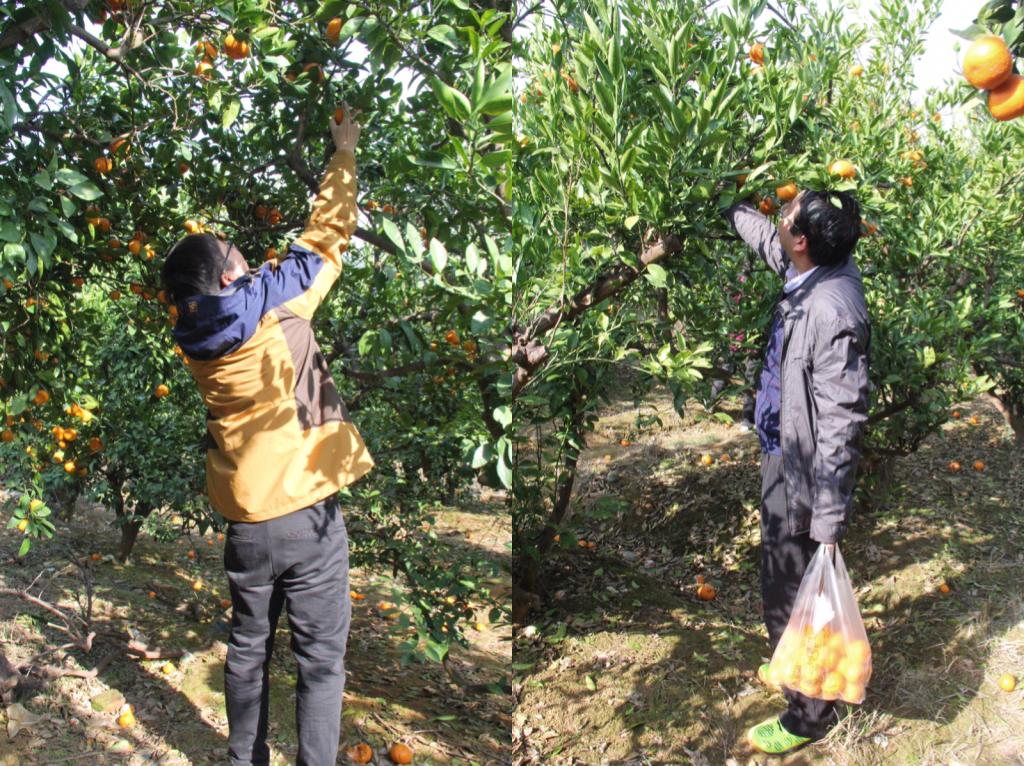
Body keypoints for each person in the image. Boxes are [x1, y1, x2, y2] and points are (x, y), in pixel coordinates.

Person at [160, 109, 375, 766]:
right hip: (308, 516)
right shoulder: (281, 308)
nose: (253, 262)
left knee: (248, 651)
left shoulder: (193, 342)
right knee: (321, 663)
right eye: (241, 258)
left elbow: (229, 293)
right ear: (231, 279)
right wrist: (343, 153)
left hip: (248, 525)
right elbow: (327, 237)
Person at [722, 189, 870, 754]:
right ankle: (797, 668)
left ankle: (806, 713)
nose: (777, 217)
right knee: (785, 574)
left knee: (790, 582)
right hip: (783, 447)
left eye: (786, 216)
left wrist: (828, 518)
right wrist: (727, 202)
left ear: (803, 240)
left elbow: (841, 420)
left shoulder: (832, 311)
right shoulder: (813, 267)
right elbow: (767, 240)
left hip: (803, 468)